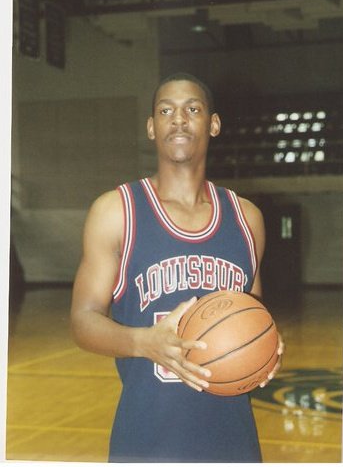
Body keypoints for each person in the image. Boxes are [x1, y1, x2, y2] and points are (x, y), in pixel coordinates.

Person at [71, 72, 283, 462]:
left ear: (213, 124)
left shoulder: (247, 218)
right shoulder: (117, 211)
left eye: (193, 109)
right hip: (147, 439)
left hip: (233, 441)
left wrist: (266, 350)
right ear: (152, 127)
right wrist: (144, 342)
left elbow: (254, 315)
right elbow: (83, 321)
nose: (179, 119)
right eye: (166, 110)